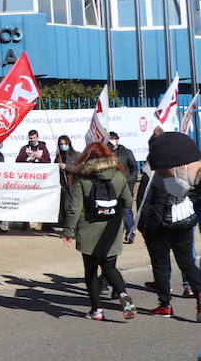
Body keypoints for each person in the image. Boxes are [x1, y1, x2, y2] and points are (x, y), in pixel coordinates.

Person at [64, 143, 136, 321]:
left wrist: (68, 231)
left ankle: (97, 310)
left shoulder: (82, 178)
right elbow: (127, 201)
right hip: (112, 229)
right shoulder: (118, 175)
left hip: (89, 229)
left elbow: (75, 207)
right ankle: (123, 295)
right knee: (110, 266)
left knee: (91, 272)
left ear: (87, 157)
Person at [141, 132, 201, 319]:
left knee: (161, 265)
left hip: (158, 226)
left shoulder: (151, 174)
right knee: (187, 263)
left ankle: (165, 304)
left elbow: (144, 203)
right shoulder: (187, 175)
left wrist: (143, 228)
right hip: (183, 222)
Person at [108, 132, 140, 243]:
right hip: (111, 188)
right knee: (114, 211)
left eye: (113, 138)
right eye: (110, 139)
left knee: (127, 210)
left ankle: (130, 233)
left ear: (117, 139)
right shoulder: (106, 153)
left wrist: (129, 181)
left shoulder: (126, 152)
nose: (112, 141)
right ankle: (116, 234)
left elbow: (134, 168)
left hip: (126, 186)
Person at [54, 137, 80, 233]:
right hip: (63, 186)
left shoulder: (76, 155)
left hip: (73, 185)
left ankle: (73, 228)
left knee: (71, 208)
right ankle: (67, 228)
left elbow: (80, 169)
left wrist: (67, 167)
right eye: (61, 144)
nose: (63, 146)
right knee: (64, 209)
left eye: (65, 144)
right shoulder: (58, 156)